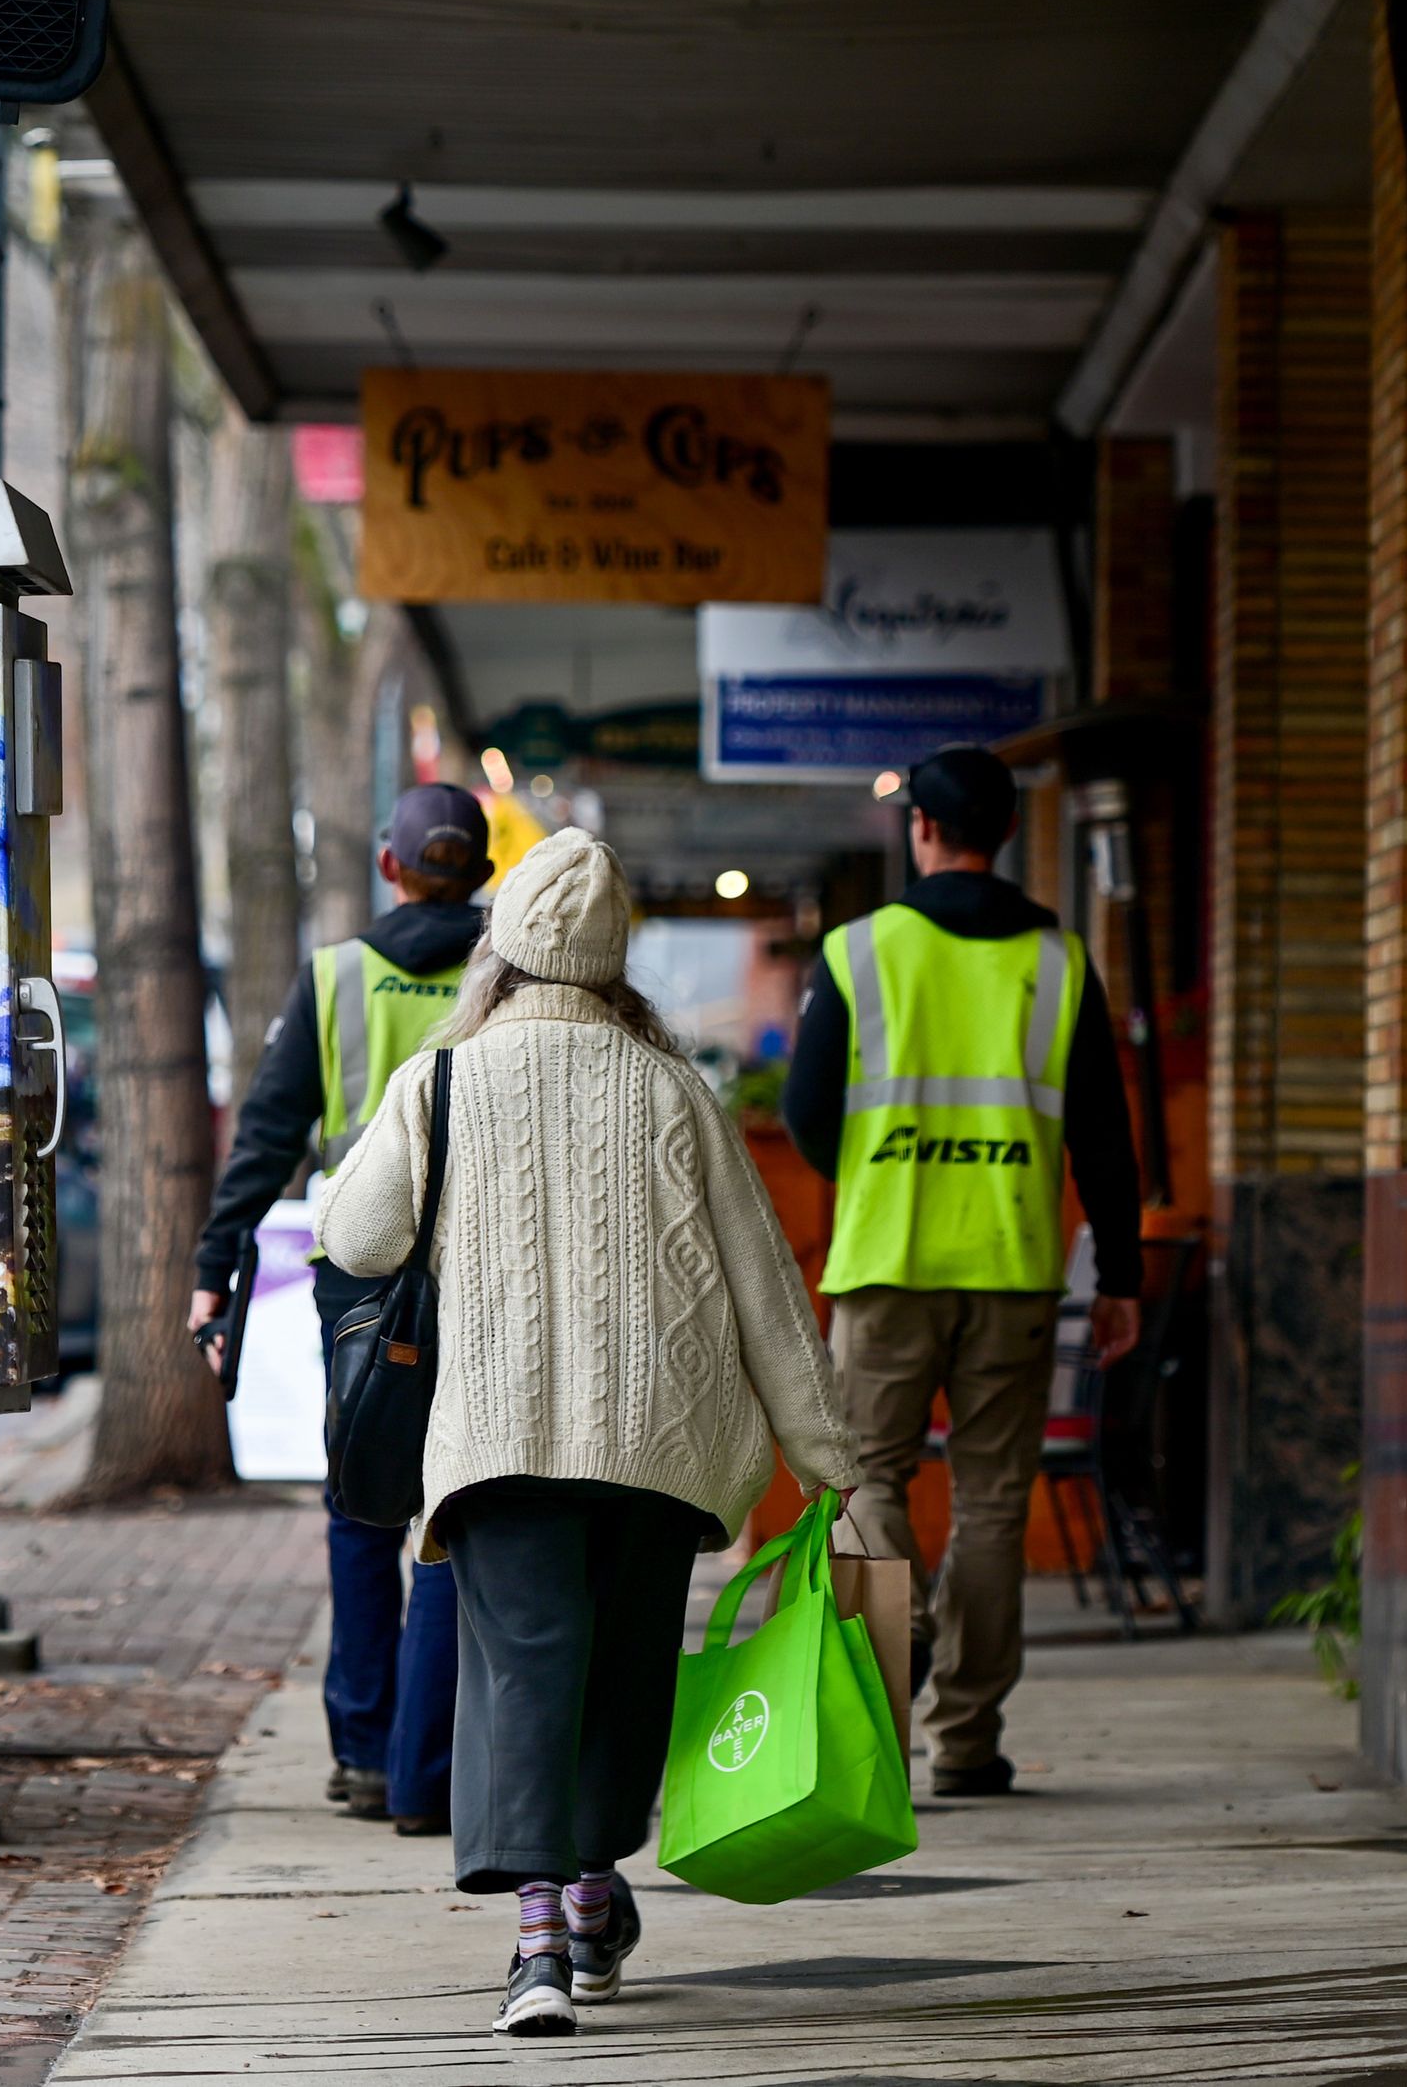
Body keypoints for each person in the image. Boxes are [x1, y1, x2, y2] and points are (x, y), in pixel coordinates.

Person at [320, 828, 861, 2040]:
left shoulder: (443, 1078)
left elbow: (355, 1239)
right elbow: (769, 1289)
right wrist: (830, 1458)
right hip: (659, 1440)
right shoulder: (675, 1086)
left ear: (503, 948)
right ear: (618, 962)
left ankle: (540, 1948)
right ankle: (591, 1888)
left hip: (500, 1435)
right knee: (621, 1670)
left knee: (522, 1669)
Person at [779, 745, 1143, 1800]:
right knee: (991, 1500)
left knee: (864, 1479)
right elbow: (1107, 1139)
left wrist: (882, 1171)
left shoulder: (858, 951)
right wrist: (1118, 1272)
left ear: (922, 829)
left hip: (887, 1263)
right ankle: (968, 1739)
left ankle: (885, 1688)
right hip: (1015, 1265)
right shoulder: (1063, 959)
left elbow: (807, 1112)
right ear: (1007, 830)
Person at [188, 782, 492, 1833]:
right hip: (490, 1273)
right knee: (467, 1507)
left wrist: (214, 1264)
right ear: (485, 872)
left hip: (362, 1283)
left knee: (367, 1503)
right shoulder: (512, 973)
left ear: (388, 865)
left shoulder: (336, 979)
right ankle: (439, 1751)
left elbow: (268, 1133)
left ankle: (366, 1752)